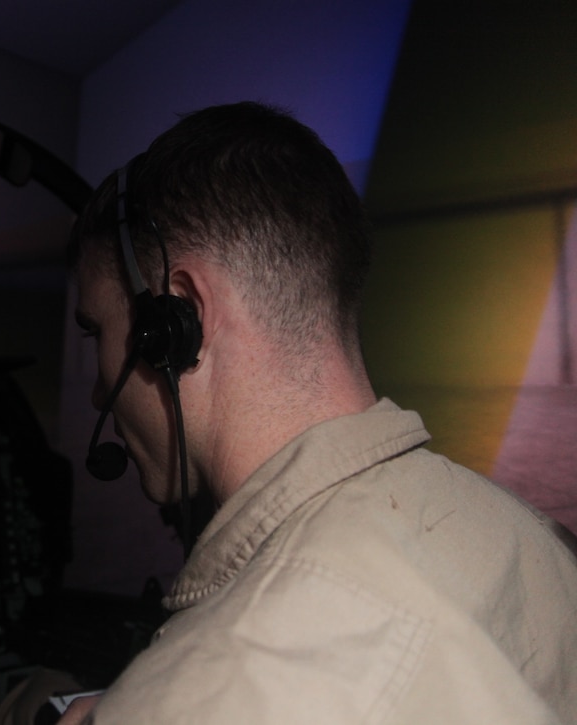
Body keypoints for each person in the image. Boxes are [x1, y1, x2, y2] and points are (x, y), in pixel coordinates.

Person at [55, 102, 577, 724]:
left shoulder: (217, 687)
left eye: (96, 331)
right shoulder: (534, 542)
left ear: (176, 321)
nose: (97, 393)